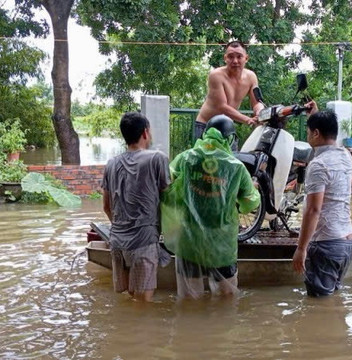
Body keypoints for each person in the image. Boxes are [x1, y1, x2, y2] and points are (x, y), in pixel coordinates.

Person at [161, 114, 260, 299]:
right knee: (227, 297)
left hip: (189, 240)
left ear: (205, 134)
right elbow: (250, 202)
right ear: (230, 139)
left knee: (189, 300)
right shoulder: (236, 167)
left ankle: (191, 328)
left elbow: (166, 186)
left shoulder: (186, 158)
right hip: (221, 243)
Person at [101, 112, 171, 302]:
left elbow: (107, 206)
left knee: (130, 297)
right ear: (145, 133)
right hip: (144, 241)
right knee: (143, 304)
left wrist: (123, 228)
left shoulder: (111, 164)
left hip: (117, 241)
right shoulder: (157, 158)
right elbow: (169, 198)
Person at [292, 102, 352, 297]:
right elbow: (328, 144)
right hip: (346, 242)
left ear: (316, 133)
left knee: (318, 304)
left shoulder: (318, 165)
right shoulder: (346, 156)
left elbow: (313, 211)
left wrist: (301, 249)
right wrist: (317, 115)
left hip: (326, 244)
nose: (308, 135)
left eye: (309, 131)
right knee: (331, 300)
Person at [194, 40, 265, 142]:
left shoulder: (251, 77)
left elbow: (257, 102)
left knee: (231, 157)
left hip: (227, 126)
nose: (235, 61)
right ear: (225, 58)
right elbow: (222, 107)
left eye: (239, 56)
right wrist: (248, 119)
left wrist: (260, 112)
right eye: (231, 57)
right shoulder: (216, 75)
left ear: (246, 58)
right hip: (207, 126)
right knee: (207, 158)